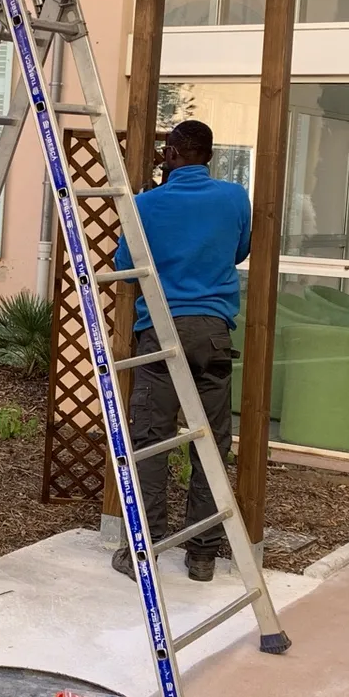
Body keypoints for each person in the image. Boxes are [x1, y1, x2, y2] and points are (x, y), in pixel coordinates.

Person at [109, 119, 252, 583]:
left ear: (170, 154)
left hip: (162, 333)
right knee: (208, 444)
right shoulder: (234, 197)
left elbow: (126, 268)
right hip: (213, 333)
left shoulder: (146, 204)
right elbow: (239, 251)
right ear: (208, 155)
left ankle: (144, 550)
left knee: (152, 441)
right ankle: (203, 555)